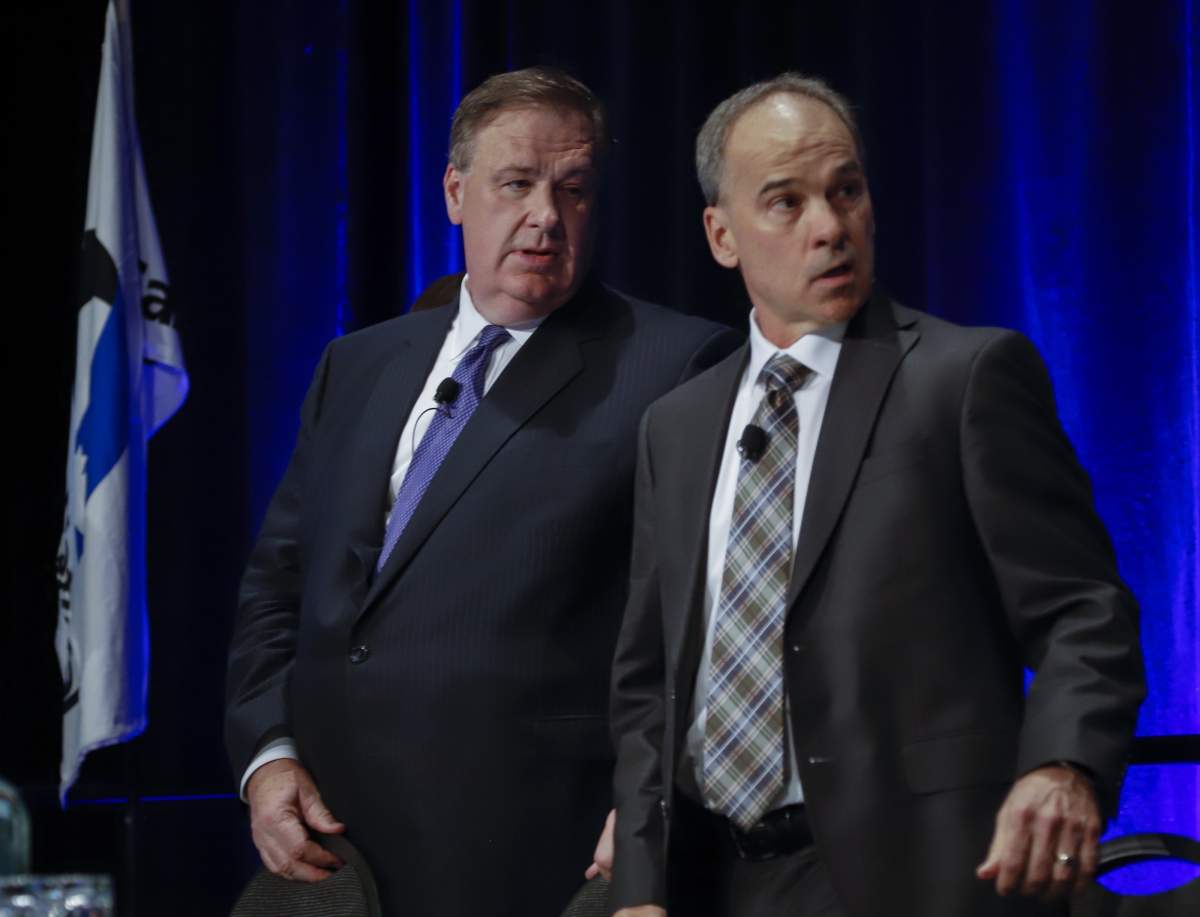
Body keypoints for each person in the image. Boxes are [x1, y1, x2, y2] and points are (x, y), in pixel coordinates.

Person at [607, 74, 1145, 917]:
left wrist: (1064, 765)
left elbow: (1084, 608)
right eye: (786, 203)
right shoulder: (674, 426)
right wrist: (639, 886)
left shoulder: (963, 378)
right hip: (714, 880)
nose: (830, 227)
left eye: (846, 190)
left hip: (917, 876)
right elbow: (648, 685)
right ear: (722, 234)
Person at [224, 66, 740, 916]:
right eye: (517, 184)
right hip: (332, 864)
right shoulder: (356, 365)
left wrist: (657, 798)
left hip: (540, 854)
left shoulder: (676, 365)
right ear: (456, 192)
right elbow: (277, 585)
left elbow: (715, 614)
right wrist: (266, 756)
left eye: (572, 189)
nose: (545, 215)